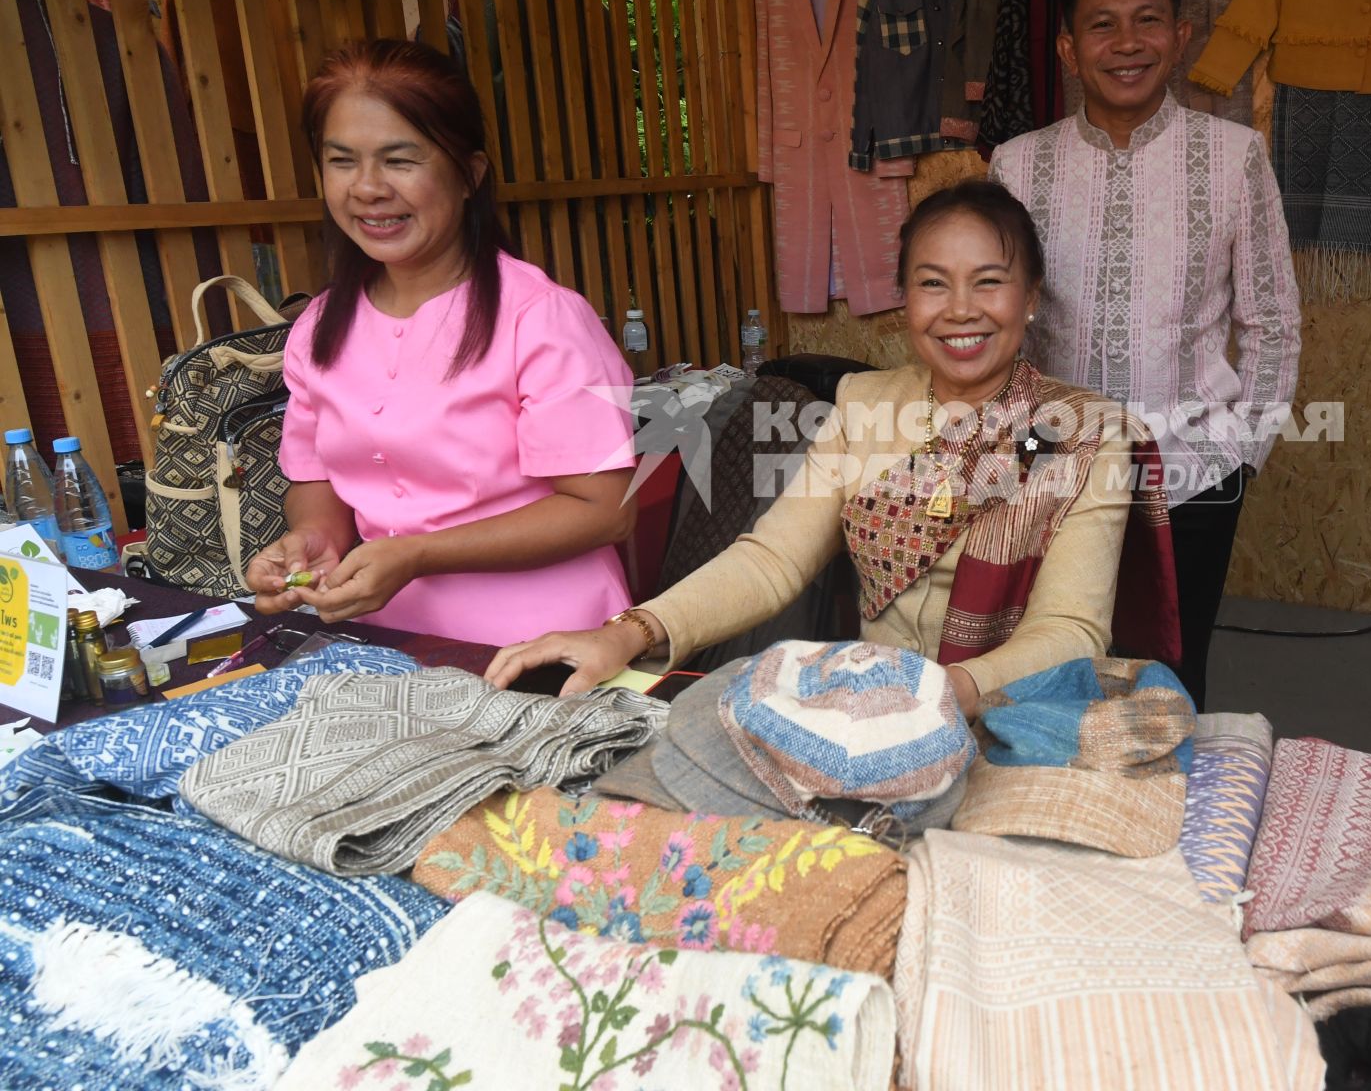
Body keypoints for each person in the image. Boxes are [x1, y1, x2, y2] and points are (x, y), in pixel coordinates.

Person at [488, 180, 1146, 712]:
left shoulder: (1088, 433)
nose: (960, 309)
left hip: (1015, 722)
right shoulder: (863, 406)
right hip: (872, 719)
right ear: (906, 299)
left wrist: (949, 697)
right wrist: (626, 633)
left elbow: (1072, 631)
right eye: (933, 282)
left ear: (1030, 299)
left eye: (989, 281)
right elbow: (771, 561)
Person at [988, 0, 1300, 711]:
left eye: (1148, 20)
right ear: (1067, 47)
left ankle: (1167, 825)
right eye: (1102, 24)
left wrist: (1241, 450)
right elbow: (997, 323)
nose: (1127, 44)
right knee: (1049, 673)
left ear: (1181, 35)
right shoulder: (1016, 164)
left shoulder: (1234, 157)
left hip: (1194, 471)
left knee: (1169, 682)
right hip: (1052, 468)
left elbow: (1273, 318)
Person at [245, 39, 639, 646]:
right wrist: (314, 541)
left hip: (546, 645)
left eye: (400, 160)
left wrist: (416, 555)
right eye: (342, 161)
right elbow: (315, 479)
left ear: (469, 175)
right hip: (383, 640)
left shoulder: (541, 318)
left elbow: (606, 509)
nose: (368, 188)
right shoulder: (318, 327)